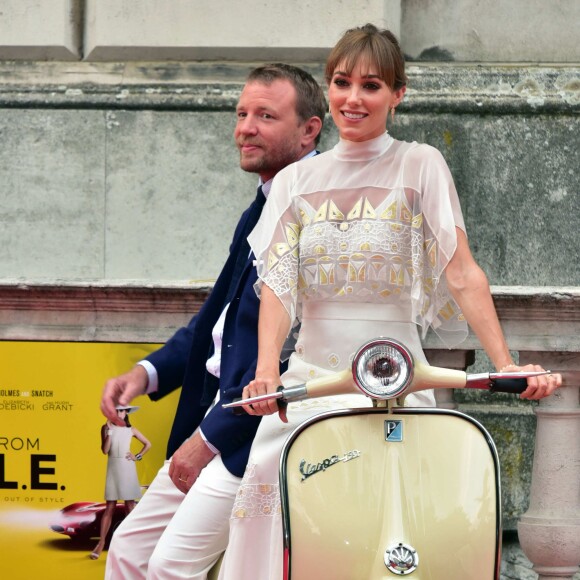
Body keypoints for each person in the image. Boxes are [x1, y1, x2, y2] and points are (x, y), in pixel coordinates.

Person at [217, 23, 563, 579]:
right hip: (312, 385)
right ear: (328, 89)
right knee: (269, 505)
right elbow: (278, 286)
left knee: (419, 532)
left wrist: (505, 364)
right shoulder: (295, 182)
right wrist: (265, 375)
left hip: (400, 382)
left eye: (372, 85)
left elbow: (462, 272)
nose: (353, 99)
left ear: (397, 94)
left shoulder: (420, 164)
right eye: (341, 82)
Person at [100, 63, 326, 579]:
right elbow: (217, 323)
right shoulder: (263, 204)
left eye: (265, 115)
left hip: (256, 432)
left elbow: (297, 347)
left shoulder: (318, 206)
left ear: (309, 129)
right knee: (129, 552)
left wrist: (211, 438)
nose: (244, 128)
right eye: (242, 113)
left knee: (167, 568)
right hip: (212, 418)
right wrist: (146, 373)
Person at [90, 405, 151, 560]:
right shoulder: (105, 428)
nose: (120, 413)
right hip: (113, 468)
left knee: (130, 506)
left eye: (123, 410)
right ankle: (101, 543)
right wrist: (109, 430)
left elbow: (148, 444)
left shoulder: (131, 430)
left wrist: (137, 456)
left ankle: (133, 545)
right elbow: (105, 450)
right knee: (110, 506)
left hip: (127, 468)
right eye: (117, 410)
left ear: (126, 413)